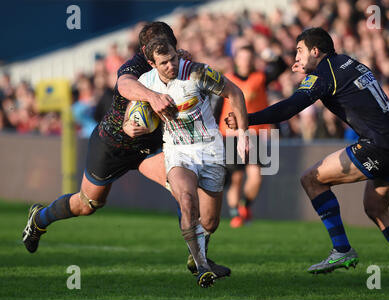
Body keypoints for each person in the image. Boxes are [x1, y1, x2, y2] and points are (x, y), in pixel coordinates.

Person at [21, 22, 231, 283]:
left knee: (184, 189)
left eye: (169, 46)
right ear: (145, 51)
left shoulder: (176, 63)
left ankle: (198, 258)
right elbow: (124, 84)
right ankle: (39, 219)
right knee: (88, 204)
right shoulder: (135, 65)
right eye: (156, 48)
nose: (164, 52)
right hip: (113, 144)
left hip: (151, 148)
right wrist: (152, 97)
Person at [225, 27, 389, 284]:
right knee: (376, 209)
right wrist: (309, 72)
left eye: (299, 51)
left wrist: (247, 119)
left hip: (379, 146)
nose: (295, 57)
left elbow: (288, 108)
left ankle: (342, 249)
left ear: (315, 51)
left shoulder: (323, 74)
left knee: (311, 180)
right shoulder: (348, 62)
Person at [138, 36, 249, 287]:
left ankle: (197, 252)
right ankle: (202, 268)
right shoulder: (146, 83)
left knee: (210, 222)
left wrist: (243, 134)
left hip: (210, 149)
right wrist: (132, 126)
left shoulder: (198, 73)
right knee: (187, 201)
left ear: (179, 55)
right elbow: (129, 111)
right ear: (152, 64)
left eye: (173, 59)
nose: (171, 66)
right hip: (177, 151)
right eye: (164, 62)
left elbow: (235, 92)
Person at [216, 44, 285, 228]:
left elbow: (281, 67)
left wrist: (272, 54)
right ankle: (235, 215)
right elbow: (218, 108)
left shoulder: (260, 77)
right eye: (242, 58)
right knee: (236, 177)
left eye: (248, 58)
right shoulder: (227, 80)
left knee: (256, 176)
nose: (245, 62)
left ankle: (244, 205)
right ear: (236, 60)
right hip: (231, 134)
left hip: (254, 132)